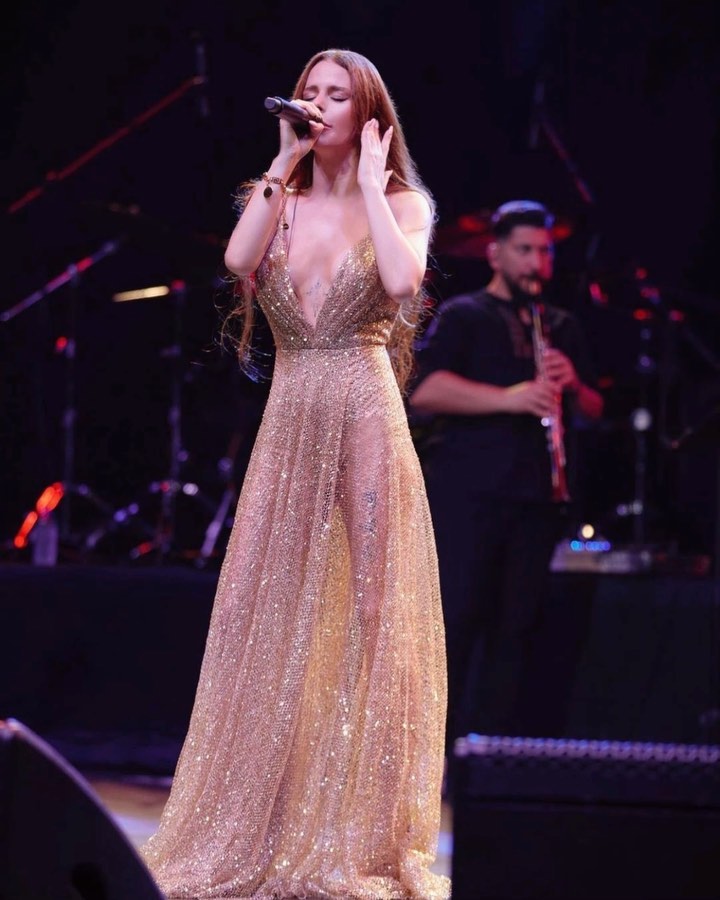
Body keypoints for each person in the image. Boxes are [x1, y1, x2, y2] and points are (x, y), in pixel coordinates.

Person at [140, 48, 450, 900]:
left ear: (368, 113)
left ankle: (368, 833)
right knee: (263, 600)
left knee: (377, 607)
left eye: (335, 95)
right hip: (290, 414)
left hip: (363, 407)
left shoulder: (404, 203)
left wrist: (376, 184)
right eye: (309, 92)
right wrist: (282, 164)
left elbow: (401, 282)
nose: (316, 104)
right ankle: (266, 817)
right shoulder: (277, 195)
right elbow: (238, 261)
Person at [408, 200, 604, 784]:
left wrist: (574, 386)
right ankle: (430, 765)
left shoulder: (562, 324)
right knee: (456, 623)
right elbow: (424, 392)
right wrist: (511, 398)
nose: (536, 263)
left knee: (516, 633)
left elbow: (595, 410)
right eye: (524, 250)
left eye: (545, 251)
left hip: (537, 499)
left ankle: (491, 767)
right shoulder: (466, 315)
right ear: (495, 253)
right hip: (468, 494)